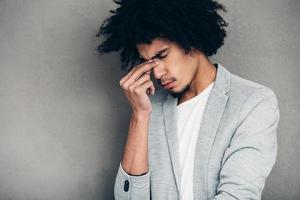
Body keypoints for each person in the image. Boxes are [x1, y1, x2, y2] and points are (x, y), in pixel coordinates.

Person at [96, 0, 280, 199]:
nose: (156, 73)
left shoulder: (253, 102)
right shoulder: (151, 108)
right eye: (148, 62)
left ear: (190, 41)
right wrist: (140, 116)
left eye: (162, 55)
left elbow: (238, 195)